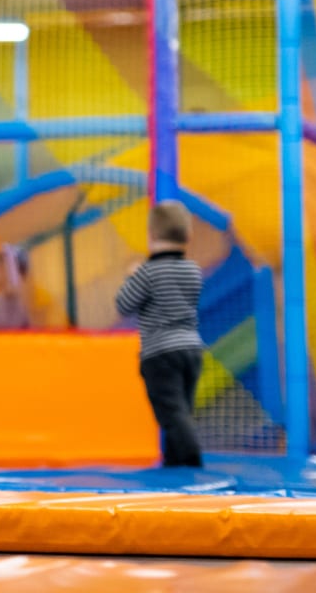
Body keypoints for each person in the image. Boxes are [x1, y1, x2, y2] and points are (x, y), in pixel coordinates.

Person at [114, 199, 205, 469]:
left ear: (151, 236)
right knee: (181, 410)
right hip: (191, 348)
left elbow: (124, 304)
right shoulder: (192, 270)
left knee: (172, 413)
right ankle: (176, 462)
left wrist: (131, 276)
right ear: (188, 236)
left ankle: (189, 458)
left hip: (160, 352)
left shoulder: (148, 272)